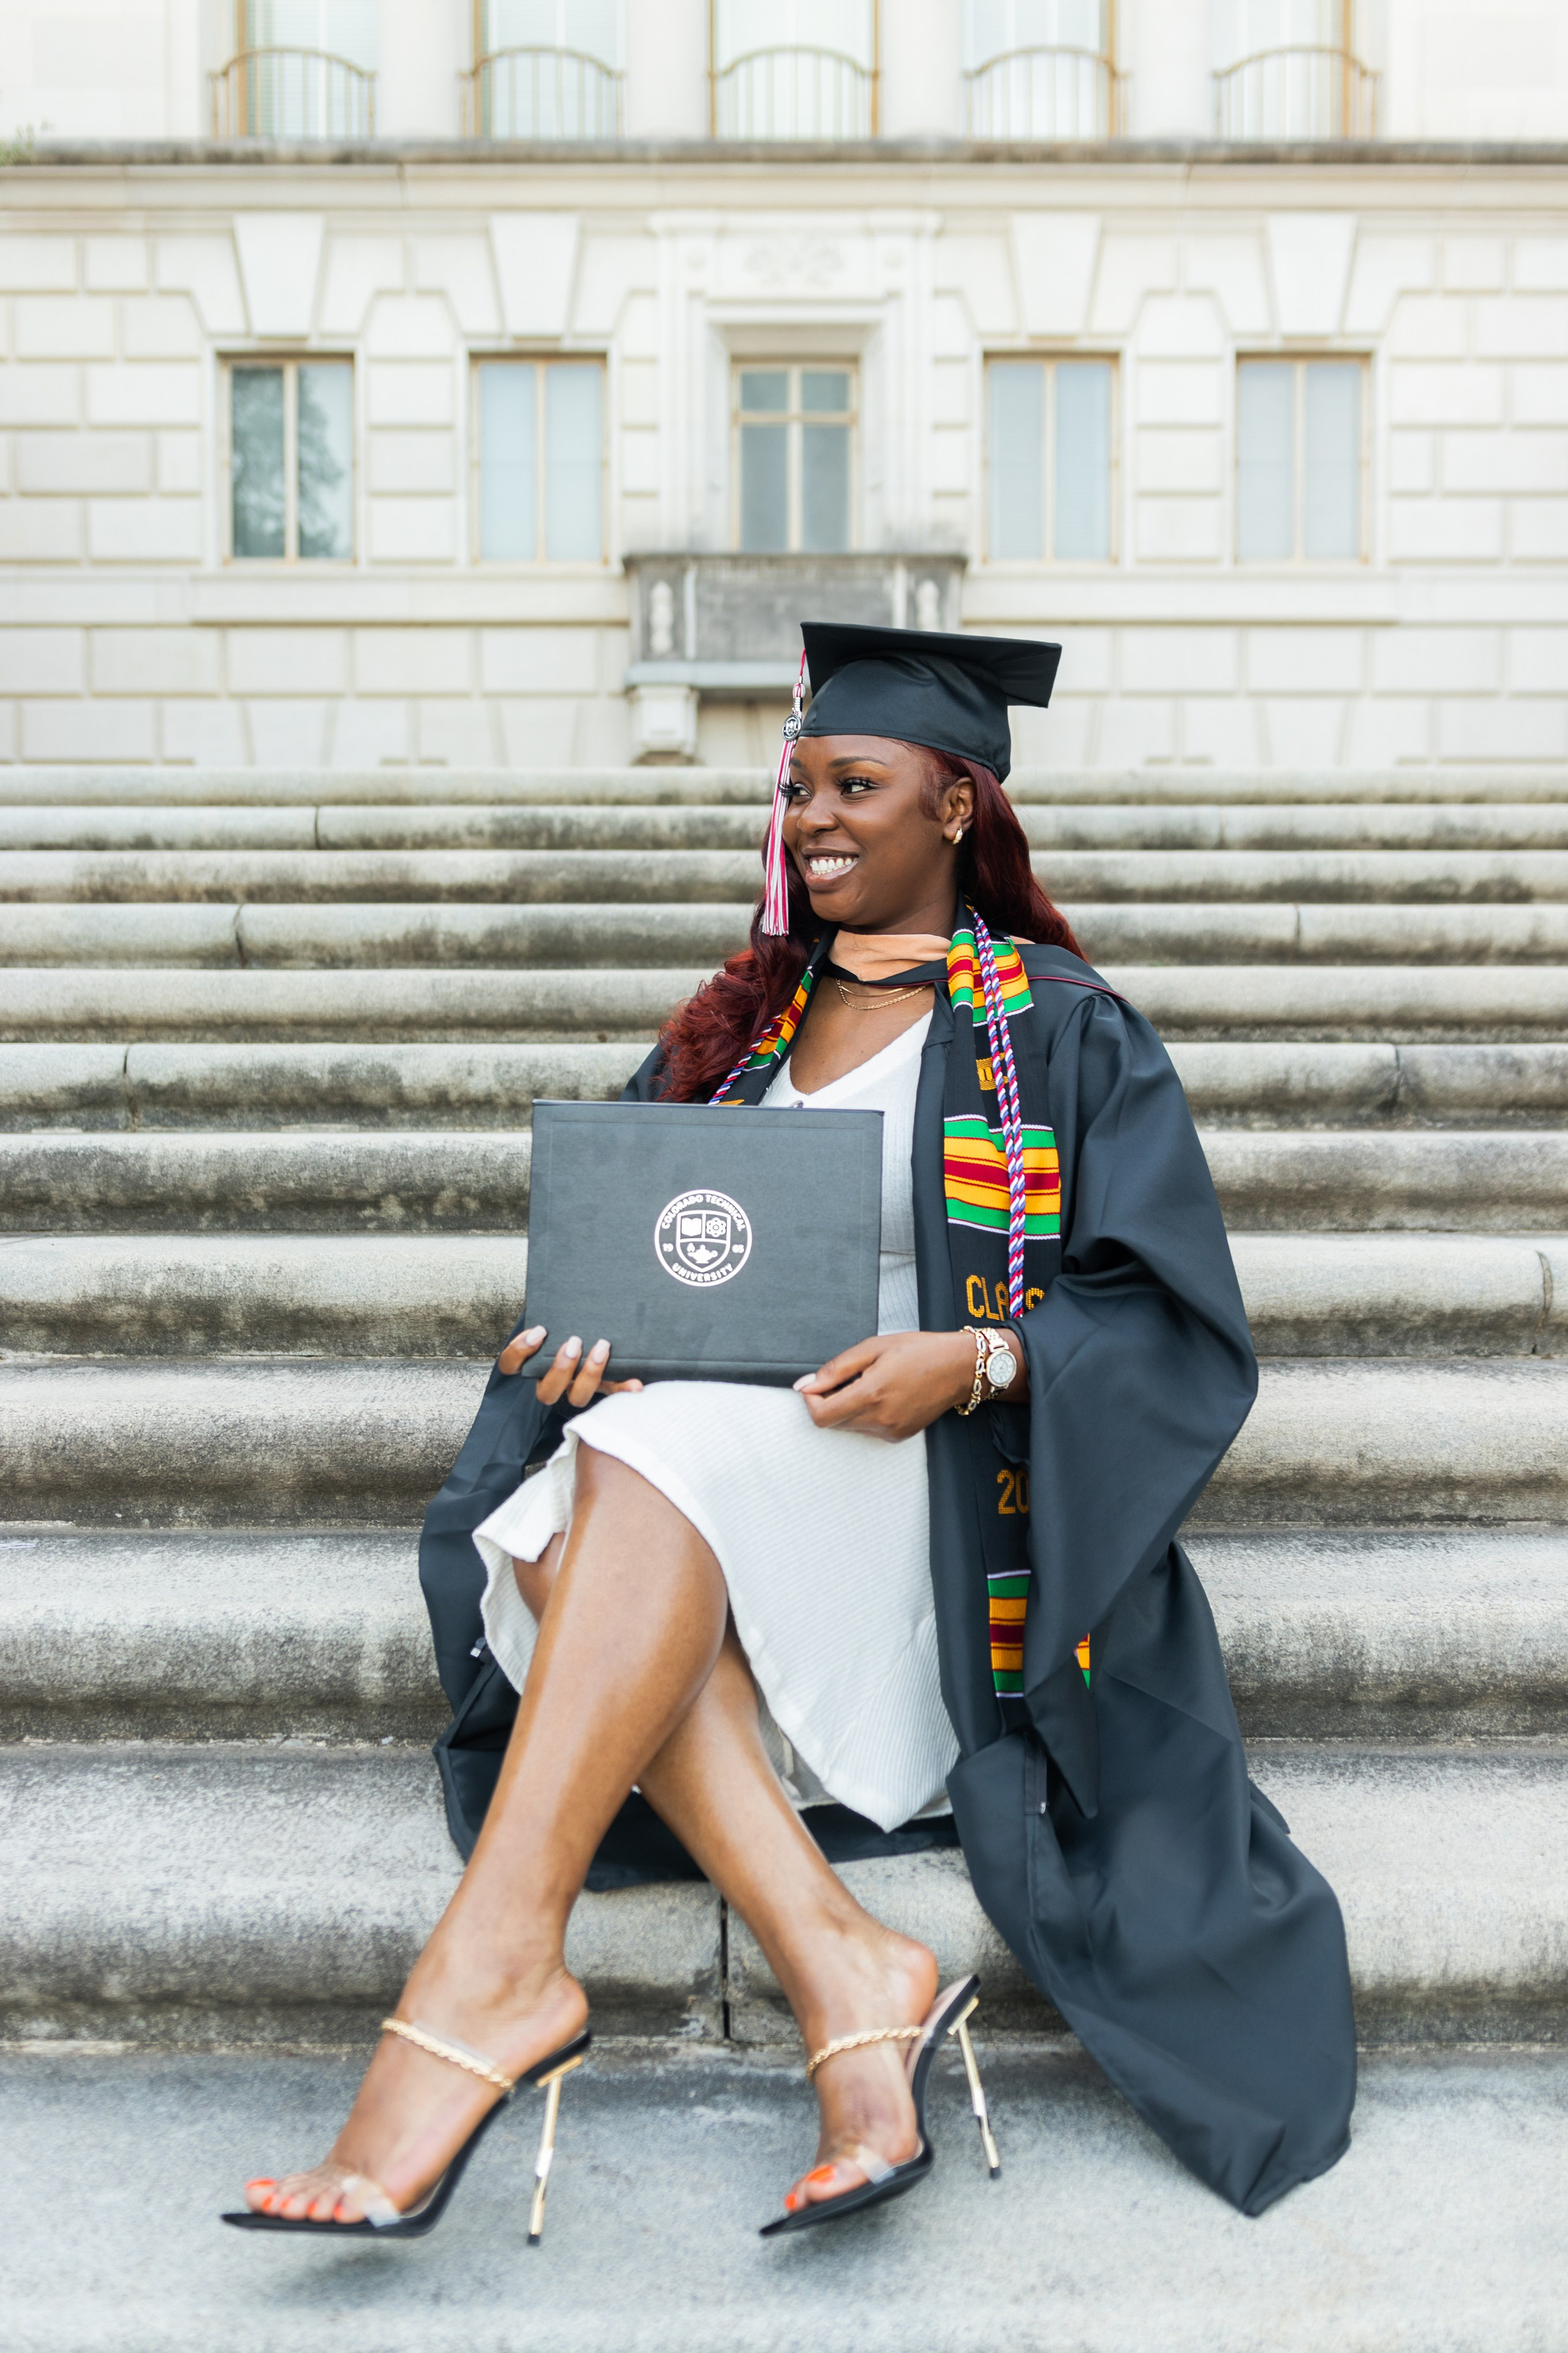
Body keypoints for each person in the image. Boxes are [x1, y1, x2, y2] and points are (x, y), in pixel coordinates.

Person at [227, 624, 1356, 2242]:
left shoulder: (1057, 1030)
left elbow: (1174, 1316)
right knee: (567, 1492)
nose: (815, 817)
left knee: (600, 1502)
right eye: (799, 786)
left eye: (858, 783)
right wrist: (570, 1355)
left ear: (956, 804)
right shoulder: (736, 1030)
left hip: (938, 1508)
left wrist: (972, 1359)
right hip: (707, 1482)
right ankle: (849, 1969)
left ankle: (485, 1976)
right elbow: (629, 1261)